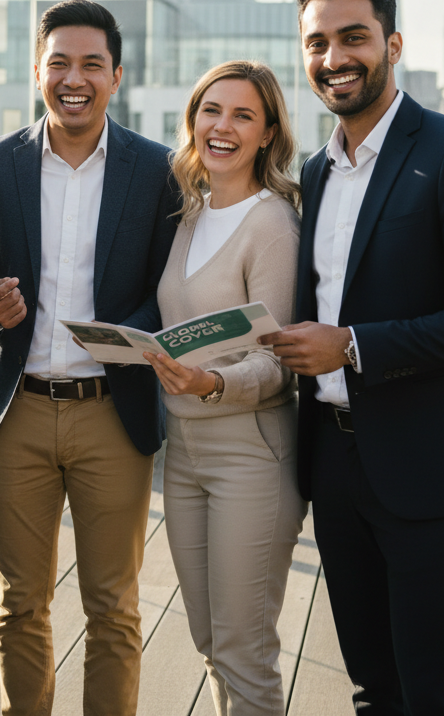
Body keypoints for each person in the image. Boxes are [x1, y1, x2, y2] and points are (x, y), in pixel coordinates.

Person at [0, 0, 178, 716]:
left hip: (114, 415)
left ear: (116, 75)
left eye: (90, 64)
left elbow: (165, 288)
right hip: (16, 412)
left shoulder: (156, 169)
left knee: (113, 607)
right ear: (37, 71)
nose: (73, 78)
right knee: (19, 604)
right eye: (59, 63)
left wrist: (126, 336)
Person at [258, 0, 444, 715]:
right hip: (335, 466)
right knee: (373, 686)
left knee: (436, 691)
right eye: (317, 43)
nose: (334, 58)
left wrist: (353, 347)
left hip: (429, 471)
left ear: (393, 43)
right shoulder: (313, 170)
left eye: (353, 38)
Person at [140, 60, 306, 715]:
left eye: (243, 115)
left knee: (245, 648)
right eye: (212, 110)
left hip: (252, 453)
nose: (223, 126)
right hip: (182, 453)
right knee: (209, 638)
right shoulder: (188, 211)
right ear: (193, 121)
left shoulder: (273, 223)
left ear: (268, 134)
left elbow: (281, 359)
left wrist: (212, 382)